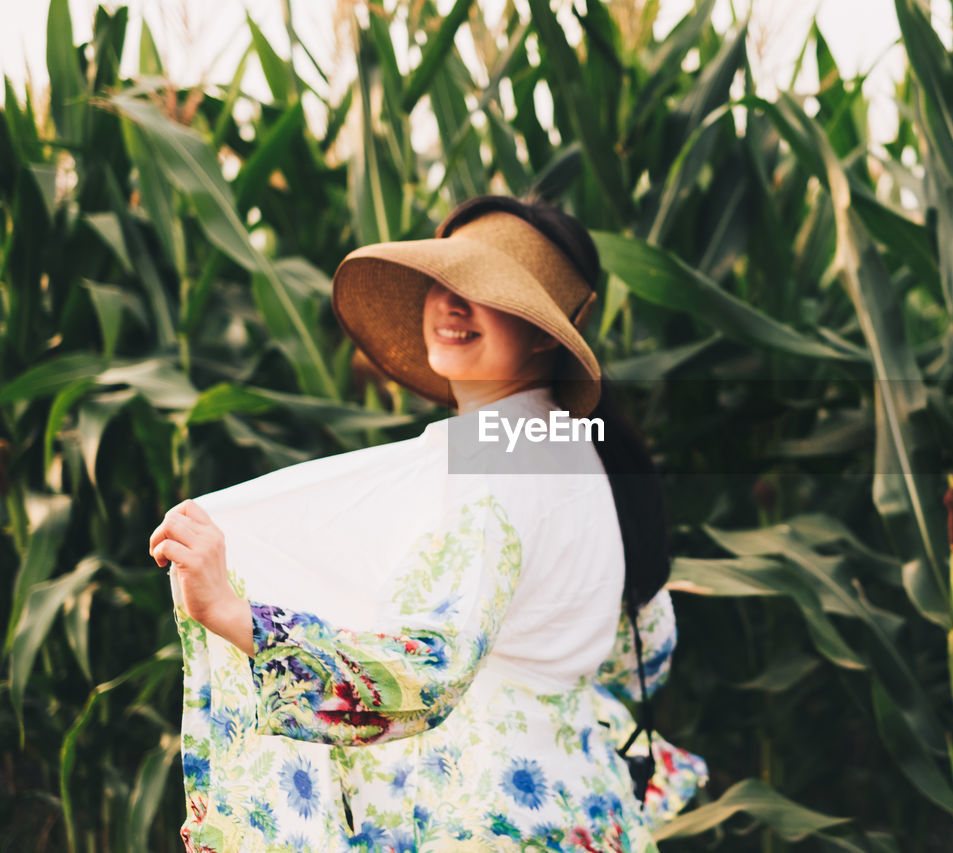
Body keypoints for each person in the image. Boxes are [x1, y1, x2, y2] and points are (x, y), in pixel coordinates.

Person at [149, 194, 709, 851]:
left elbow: (429, 664)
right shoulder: (582, 448)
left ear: (542, 330)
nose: (450, 302)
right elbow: (646, 647)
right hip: (585, 806)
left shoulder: (490, 463)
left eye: (485, 289)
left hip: (485, 815)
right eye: (441, 281)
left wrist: (230, 610)